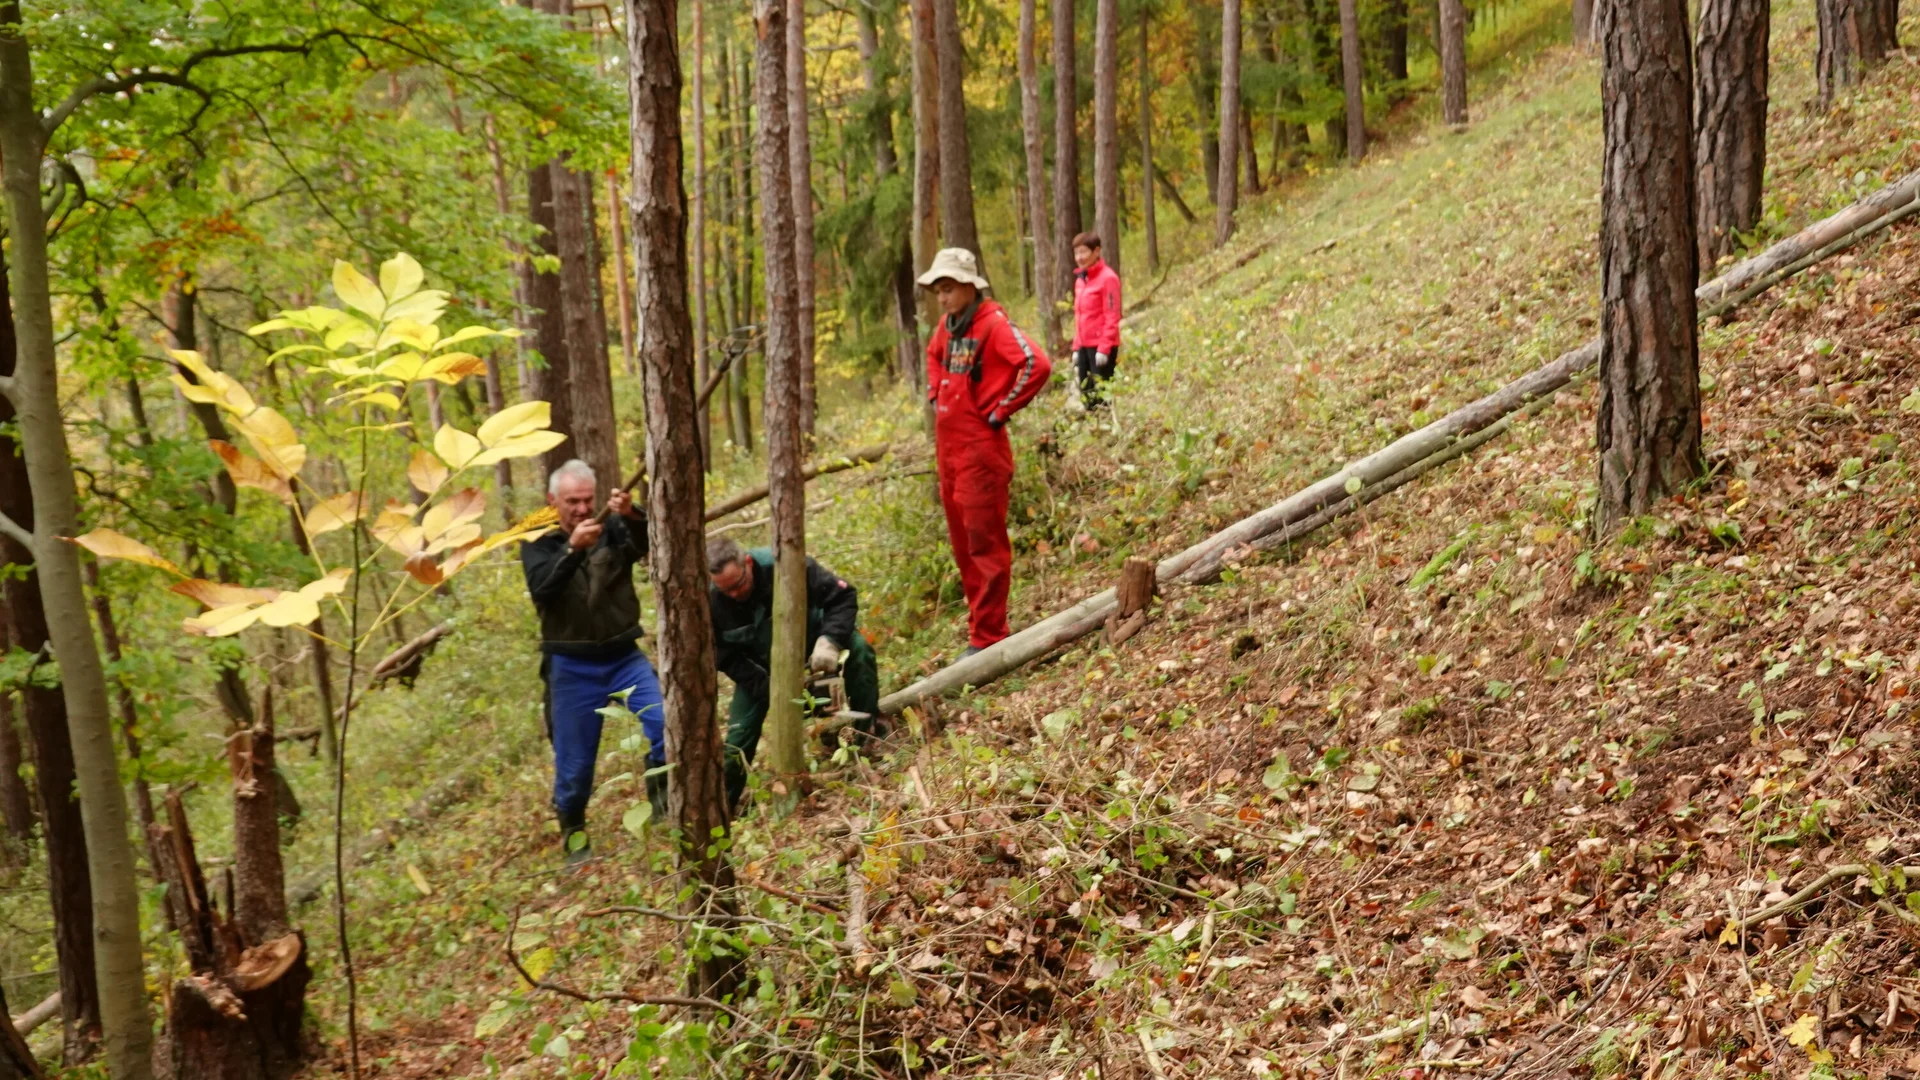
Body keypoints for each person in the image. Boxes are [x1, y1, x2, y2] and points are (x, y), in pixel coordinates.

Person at [521, 459, 666, 867]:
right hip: (571, 666)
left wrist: (633, 514)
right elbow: (542, 590)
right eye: (572, 502)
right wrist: (571, 551)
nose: (583, 509)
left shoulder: (613, 525)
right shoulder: (537, 537)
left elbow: (647, 543)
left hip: (623, 655)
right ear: (553, 501)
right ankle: (575, 839)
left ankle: (662, 804)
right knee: (575, 765)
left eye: (587, 500)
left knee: (663, 724)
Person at [916, 247, 1053, 655]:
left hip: (980, 450)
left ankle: (990, 637)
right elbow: (933, 356)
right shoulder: (948, 326)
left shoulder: (992, 324)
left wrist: (998, 411)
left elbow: (1036, 364)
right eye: (938, 290)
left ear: (968, 287)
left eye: (948, 289)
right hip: (949, 452)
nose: (941, 298)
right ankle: (981, 629)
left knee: (984, 544)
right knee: (962, 545)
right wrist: (934, 392)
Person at [706, 538, 881, 810]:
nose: (733, 595)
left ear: (748, 563)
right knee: (737, 741)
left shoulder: (784, 567)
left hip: (812, 644)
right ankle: (722, 809)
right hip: (761, 670)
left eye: (739, 585)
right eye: (724, 590)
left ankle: (866, 739)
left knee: (860, 651)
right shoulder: (709, 599)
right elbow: (724, 655)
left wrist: (830, 641)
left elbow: (843, 597)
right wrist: (770, 689)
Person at [1069, 232, 1122, 408]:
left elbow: (1112, 315)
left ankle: (1106, 429)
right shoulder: (1081, 281)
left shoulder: (1108, 278)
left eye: (1083, 252)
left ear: (1096, 251)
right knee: (1086, 395)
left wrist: (1104, 348)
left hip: (1101, 347)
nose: (1079, 257)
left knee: (1101, 395)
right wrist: (1077, 347)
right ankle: (1093, 430)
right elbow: (1080, 316)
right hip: (1084, 345)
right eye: (1076, 253)